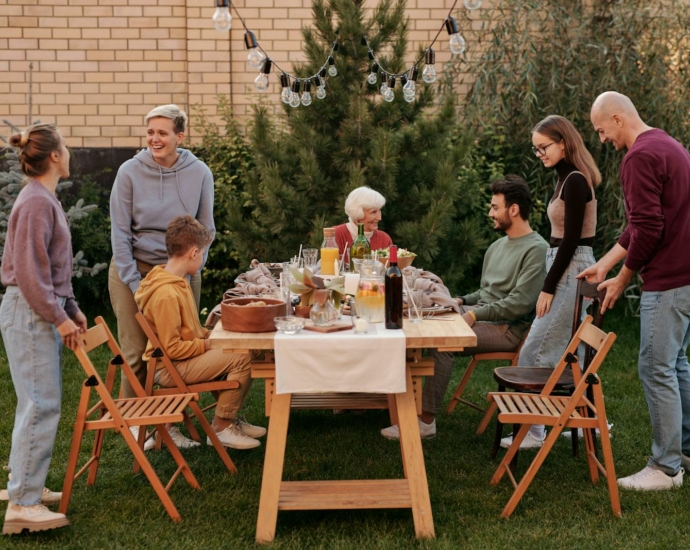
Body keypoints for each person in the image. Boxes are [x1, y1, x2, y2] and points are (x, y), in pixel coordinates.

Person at [381, 175, 548, 439]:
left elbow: (519, 304)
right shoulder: (497, 246)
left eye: (495, 207)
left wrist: (473, 314)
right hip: (484, 315)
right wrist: (460, 301)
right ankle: (392, 403)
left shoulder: (537, 250)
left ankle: (425, 422)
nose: (490, 212)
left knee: (442, 343)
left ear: (513, 210)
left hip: (507, 329)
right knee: (416, 323)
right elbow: (487, 292)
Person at [580, 91, 690, 491]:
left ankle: (665, 468)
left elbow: (649, 228)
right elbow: (641, 223)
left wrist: (623, 278)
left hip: (670, 280)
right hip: (686, 277)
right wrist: (606, 263)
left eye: (601, 129)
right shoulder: (667, 144)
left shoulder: (639, 157)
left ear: (617, 118)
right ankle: (685, 452)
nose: (602, 139)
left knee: (655, 367)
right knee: (676, 365)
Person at [1, 124, 86, 534]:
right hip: (30, 310)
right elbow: (32, 276)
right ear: (54, 156)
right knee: (40, 403)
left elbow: (52, 268)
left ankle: (24, 485)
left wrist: (71, 306)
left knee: (35, 401)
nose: (68, 153)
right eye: (65, 147)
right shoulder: (36, 202)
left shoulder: (42, 199)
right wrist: (60, 318)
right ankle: (23, 506)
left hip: (37, 308)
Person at [500, 115, 601, 450]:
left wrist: (547, 287)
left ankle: (533, 430)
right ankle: (574, 420)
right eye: (536, 149)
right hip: (563, 263)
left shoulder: (574, 181)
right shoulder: (564, 179)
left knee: (536, 347)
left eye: (543, 147)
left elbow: (571, 240)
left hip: (571, 267)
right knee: (558, 346)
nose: (540, 153)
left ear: (563, 142)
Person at [109, 104, 216, 408]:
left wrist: (194, 266)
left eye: (162, 133)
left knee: (182, 346)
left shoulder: (199, 172)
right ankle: (134, 419)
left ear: (179, 136)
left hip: (181, 270)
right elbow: (119, 233)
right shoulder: (129, 172)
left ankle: (175, 420)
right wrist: (134, 283)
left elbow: (207, 228)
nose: (154, 139)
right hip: (133, 268)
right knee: (135, 351)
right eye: (150, 132)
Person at [135, 215, 266, 450]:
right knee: (242, 356)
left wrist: (211, 335)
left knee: (251, 347)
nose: (203, 258)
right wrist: (210, 344)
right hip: (168, 369)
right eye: (203, 253)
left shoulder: (178, 281)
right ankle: (221, 427)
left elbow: (190, 331)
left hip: (183, 359)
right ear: (193, 253)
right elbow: (171, 348)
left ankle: (231, 419)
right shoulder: (166, 294)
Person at [334, 186, 393, 253]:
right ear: (357, 212)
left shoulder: (384, 239)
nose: (379, 218)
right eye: (373, 212)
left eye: (379, 211)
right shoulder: (335, 235)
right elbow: (328, 262)